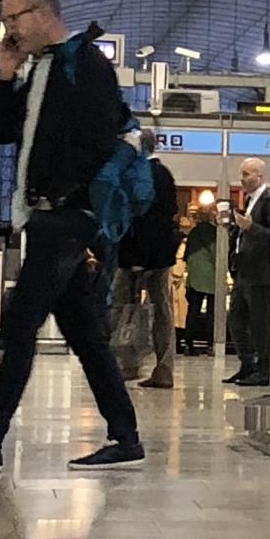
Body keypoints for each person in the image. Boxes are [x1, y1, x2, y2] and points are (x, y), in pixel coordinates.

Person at [0, 0, 144, 472]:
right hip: (44, 215)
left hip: (65, 216)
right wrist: (2, 75)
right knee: (85, 333)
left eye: (13, 17)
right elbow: (4, 132)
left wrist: (71, 196)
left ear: (42, 13)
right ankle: (126, 437)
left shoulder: (85, 64)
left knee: (20, 321)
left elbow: (97, 136)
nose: (8, 28)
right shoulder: (38, 70)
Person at [113, 134, 182, 387]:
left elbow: (142, 220)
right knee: (161, 309)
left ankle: (130, 363)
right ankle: (163, 368)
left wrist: (137, 258)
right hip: (160, 256)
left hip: (138, 255)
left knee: (125, 308)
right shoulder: (164, 173)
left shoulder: (141, 175)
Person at [224, 155, 270, 387]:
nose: (242, 179)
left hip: (259, 274)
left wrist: (251, 227)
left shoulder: (269, 201)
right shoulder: (250, 201)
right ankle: (247, 364)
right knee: (236, 320)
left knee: (259, 323)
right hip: (243, 271)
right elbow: (244, 234)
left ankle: (264, 370)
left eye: (246, 174)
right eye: (241, 174)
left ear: (260, 176)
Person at [180, 202, 216, 353]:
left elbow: (186, 255)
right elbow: (216, 254)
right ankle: (210, 343)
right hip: (212, 277)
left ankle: (189, 342)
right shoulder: (214, 232)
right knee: (211, 312)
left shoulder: (194, 232)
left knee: (193, 310)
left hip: (194, 277)